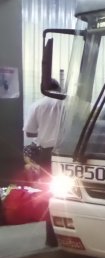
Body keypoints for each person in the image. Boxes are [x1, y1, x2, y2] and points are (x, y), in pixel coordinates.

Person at [23, 78, 64, 246]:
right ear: (59, 88)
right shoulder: (69, 104)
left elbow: (30, 133)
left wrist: (45, 129)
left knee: (50, 193)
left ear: (43, 90)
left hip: (48, 154)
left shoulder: (37, 105)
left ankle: (52, 238)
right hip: (70, 152)